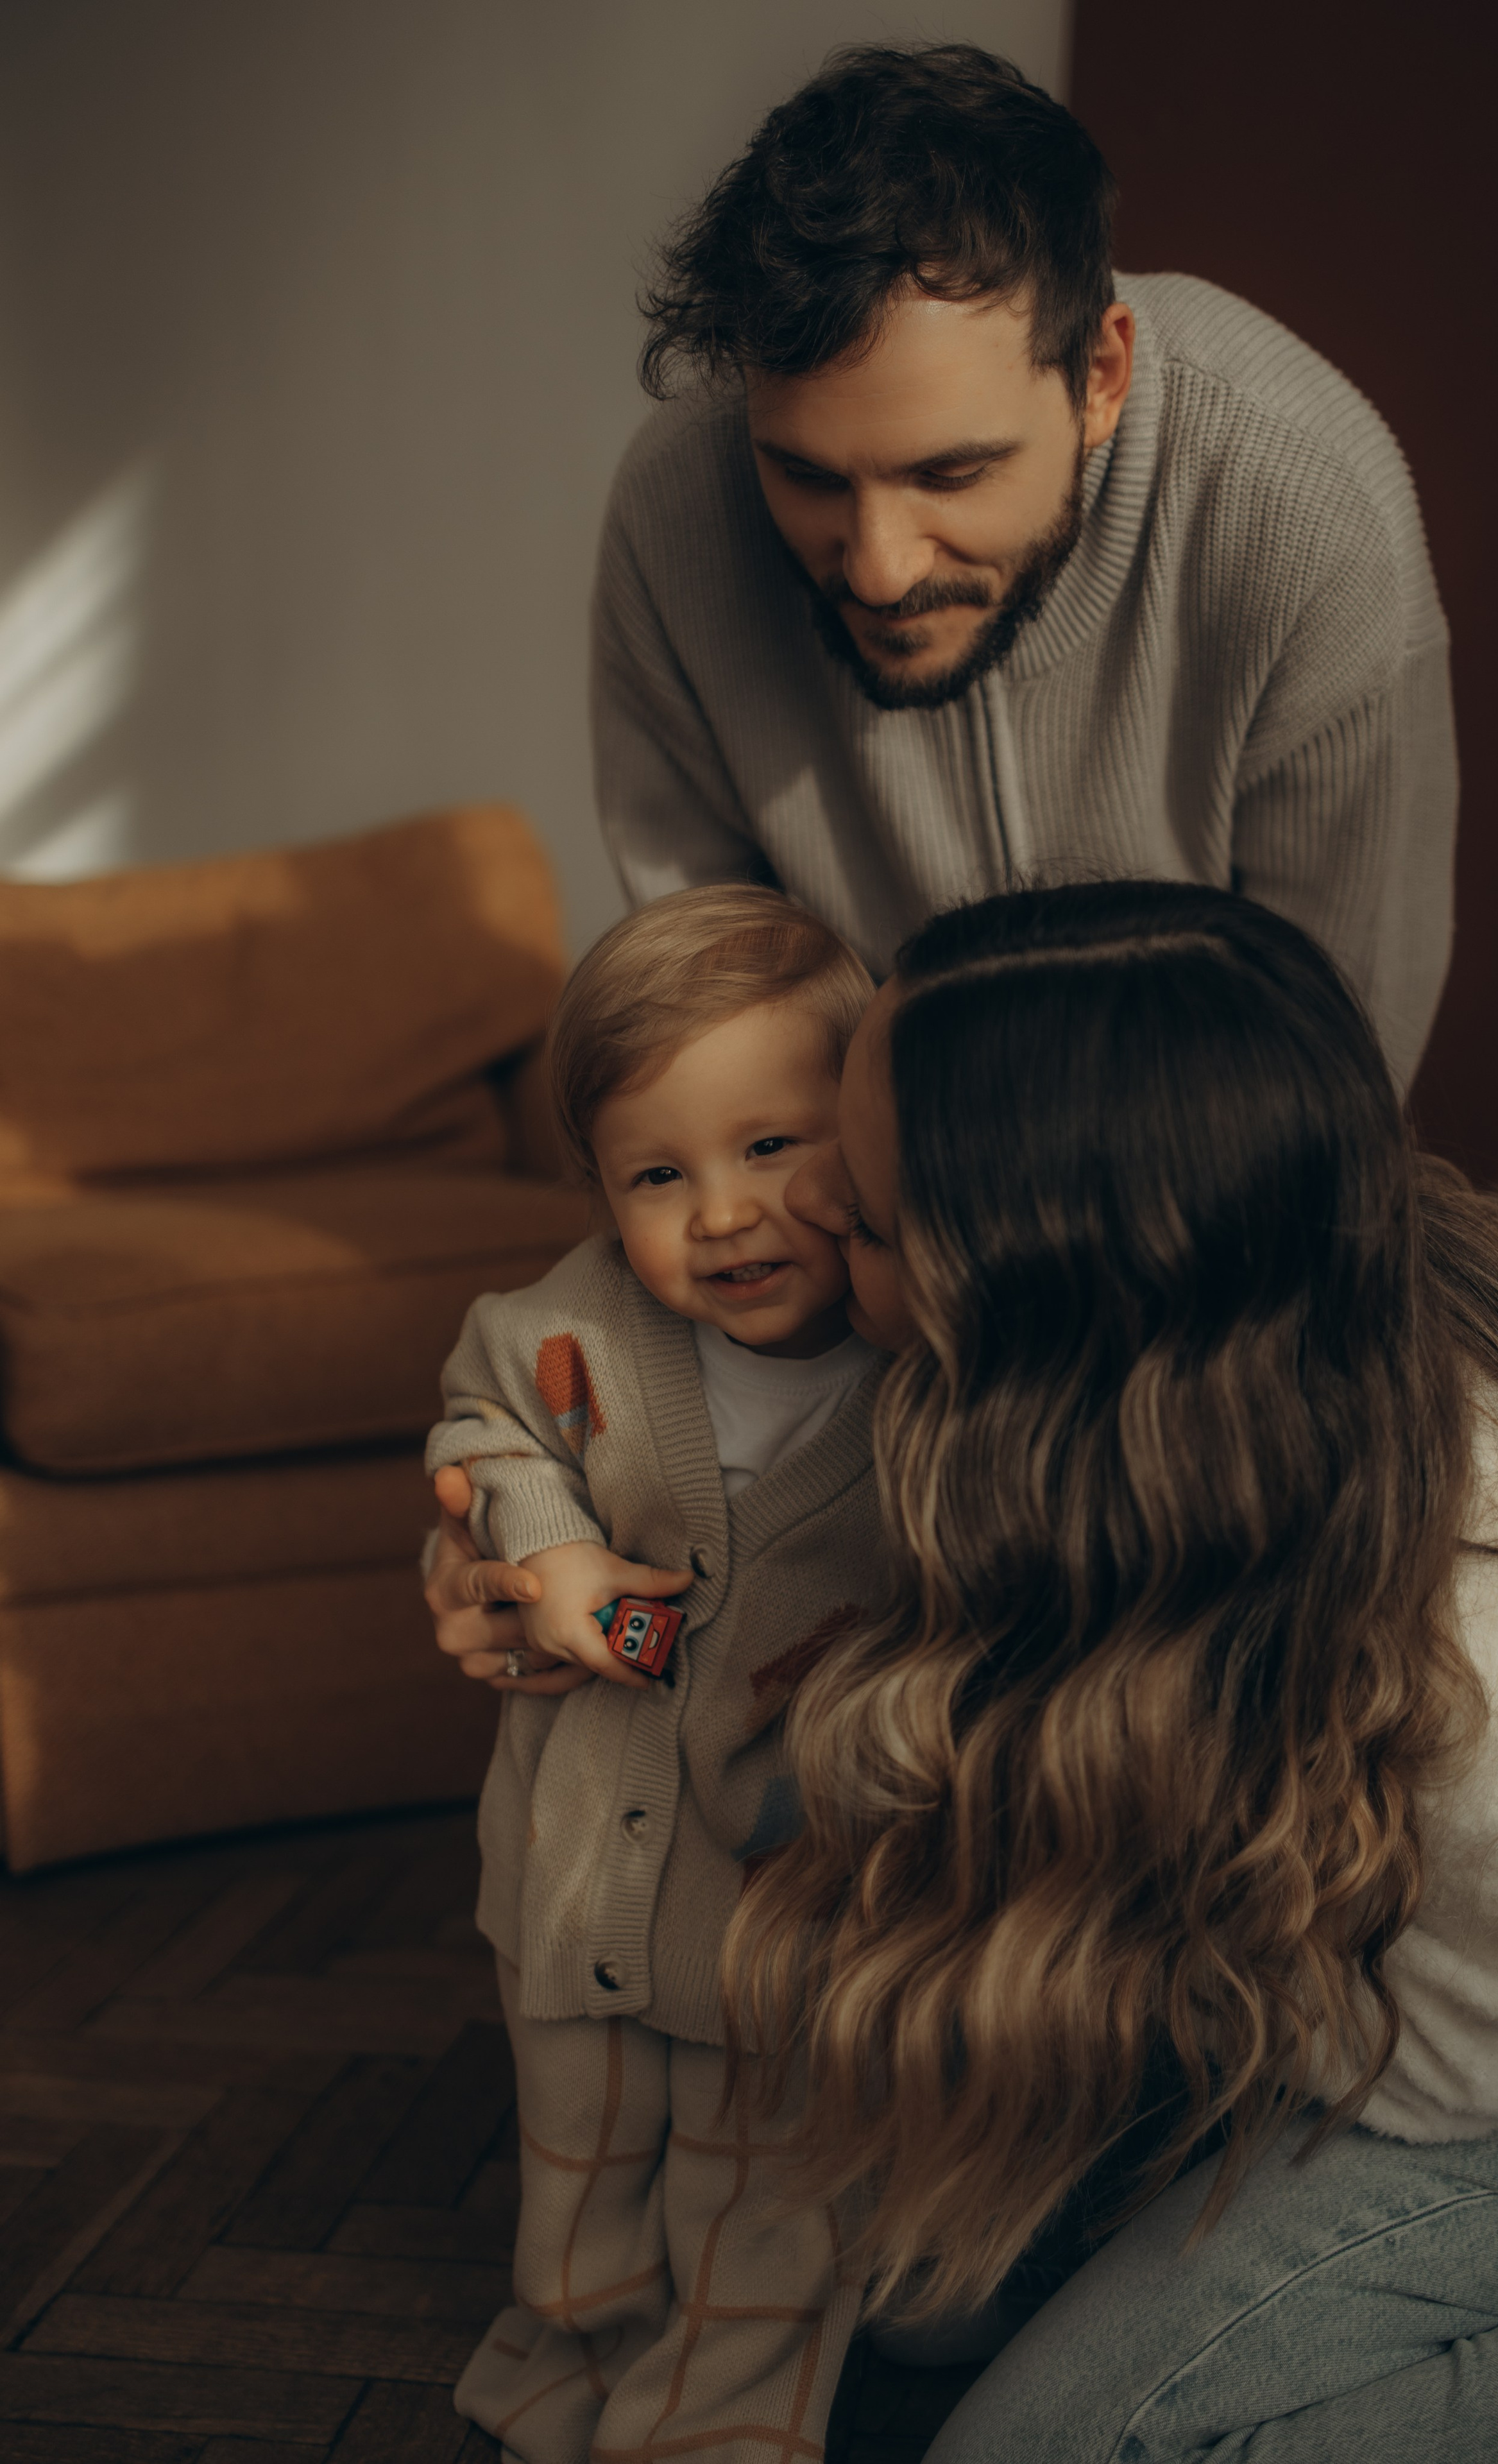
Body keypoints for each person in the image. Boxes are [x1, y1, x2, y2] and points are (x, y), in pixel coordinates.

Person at [710, 878, 1498, 2461]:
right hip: (1367, 1953)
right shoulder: (1248, 1356)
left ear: (1039, 1306)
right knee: (915, 2284)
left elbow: (1495, 2057)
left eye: (860, 1216)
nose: (799, 1222)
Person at [595, 42, 1457, 1094]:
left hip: (1200, 1206)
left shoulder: (1309, 508)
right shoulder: (676, 504)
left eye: (952, 473)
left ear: (1099, 376)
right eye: (808, 475)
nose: (878, 570)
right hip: (841, 1193)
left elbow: (1331, 1062)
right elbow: (719, 1044)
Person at [425, 886, 885, 2462]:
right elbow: (484, 1428)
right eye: (657, 1175)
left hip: (781, 1921)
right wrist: (541, 1545)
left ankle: (714, 2427)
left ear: (869, 1133)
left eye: (773, 1148)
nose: (723, 1215)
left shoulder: (923, 1383)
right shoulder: (566, 1330)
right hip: (567, 1881)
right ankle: (561, 2368)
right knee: (580, 2179)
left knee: (761, 2206)